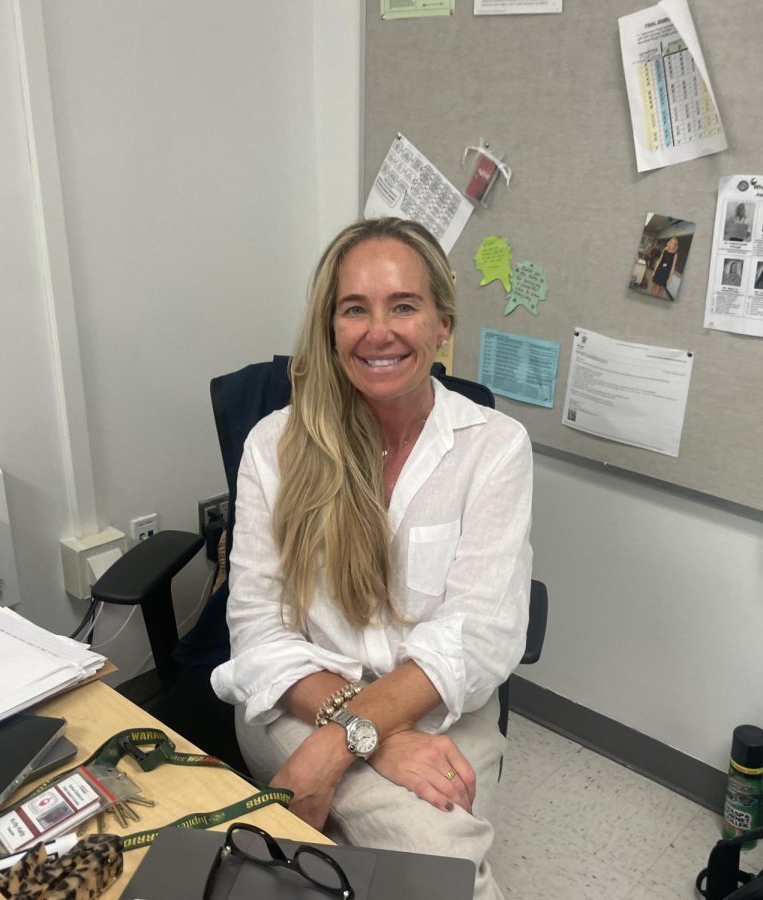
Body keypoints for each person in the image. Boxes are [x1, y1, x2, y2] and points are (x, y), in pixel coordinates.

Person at [211, 217, 533, 900]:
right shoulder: (276, 447)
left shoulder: (496, 447)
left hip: (440, 710)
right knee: (439, 859)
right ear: (330, 328)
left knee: (431, 857)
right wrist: (371, 734)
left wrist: (336, 748)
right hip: (296, 699)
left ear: (443, 324)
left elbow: (480, 634)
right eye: (355, 308)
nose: (378, 331)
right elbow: (259, 633)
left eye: (404, 306)